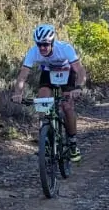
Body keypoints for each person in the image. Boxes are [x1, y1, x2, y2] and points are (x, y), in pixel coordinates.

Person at [10, 23, 85, 162]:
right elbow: (23, 76)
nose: (42, 48)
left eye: (45, 44)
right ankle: (46, 138)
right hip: (48, 74)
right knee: (42, 102)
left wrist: (78, 87)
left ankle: (73, 144)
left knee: (67, 107)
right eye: (39, 45)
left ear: (52, 42)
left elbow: (80, 70)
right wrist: (18, 93)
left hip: (67, 73)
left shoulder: (65, 49)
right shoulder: (33, 52)